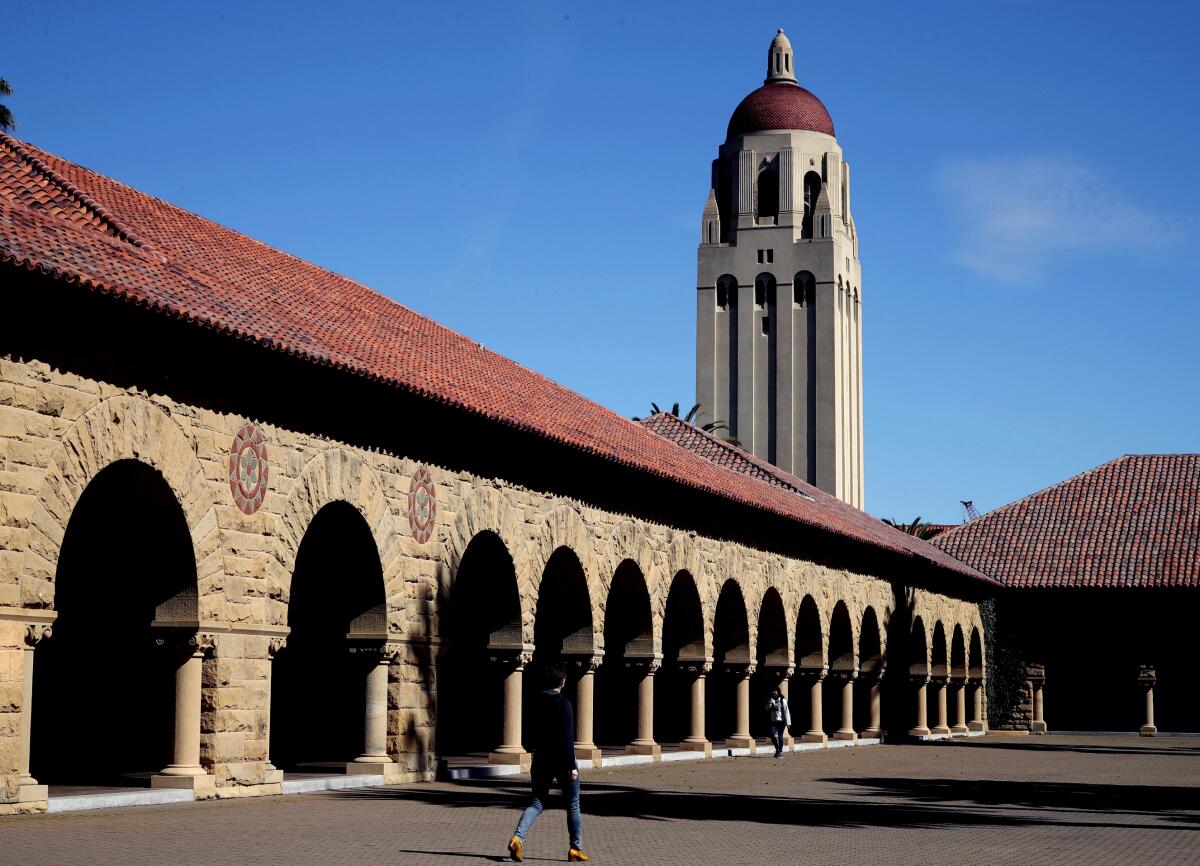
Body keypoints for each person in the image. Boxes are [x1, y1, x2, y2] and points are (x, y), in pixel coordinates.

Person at [508, 664, 589, 863]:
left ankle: (517, 838)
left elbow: (528, 731)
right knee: (572, 804)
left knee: (536, 802)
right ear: (562, 682)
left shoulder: (534, 702)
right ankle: (575, 848)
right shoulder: (564, 704)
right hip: (562, 761)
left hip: (541, 759)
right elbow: (567, 739)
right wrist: (572, 766)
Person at [765, 687, 791, 758]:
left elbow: (786, 712)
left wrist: (788, 722)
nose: (773, 694)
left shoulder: (783, 701)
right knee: (771, 734)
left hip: (781, 721)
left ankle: (780, 752)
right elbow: (767, 709)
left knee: (780, 736)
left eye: (775, 692)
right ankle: (777, 749)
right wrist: (770, 703)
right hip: (773, 721)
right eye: (772, 692)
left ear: (778, 692)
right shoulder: (770, 700)